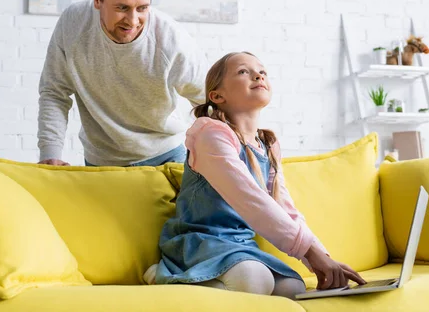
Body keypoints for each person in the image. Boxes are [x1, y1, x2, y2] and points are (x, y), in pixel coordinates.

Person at [143, 52, 366, 298]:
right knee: (254, 279)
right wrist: (312, 254)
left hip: (241, 245)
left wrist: (322, 260)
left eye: (262, 71)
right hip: (201, 242)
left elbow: (285, 210)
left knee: (293, 288)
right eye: (243, 72)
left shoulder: (267, 145)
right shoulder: (210, 134)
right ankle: (169, 276)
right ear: (217, 96)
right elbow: (252, 201)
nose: (258, 75)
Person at [37, 0, 208, 167]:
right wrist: (50, 153)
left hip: (166, 156)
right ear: (97, 0)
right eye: (122, 8)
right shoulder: (73, 24)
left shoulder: (171, 41)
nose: (133, 21)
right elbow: (54, 91)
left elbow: (209, 101)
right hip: (101, 161)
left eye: (142, 8)